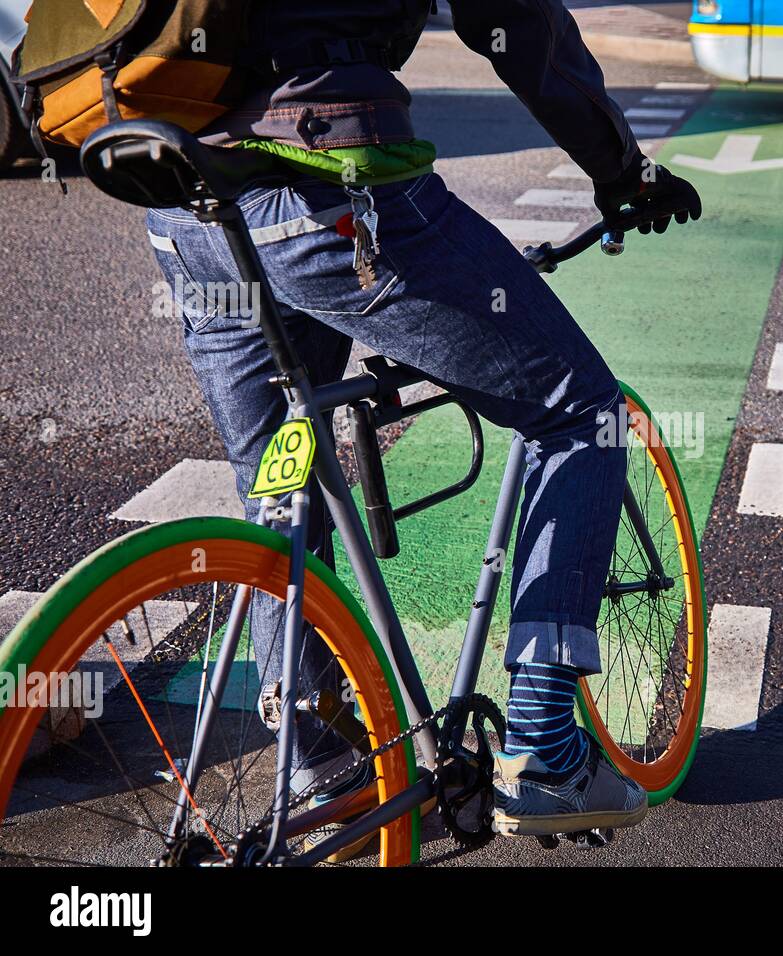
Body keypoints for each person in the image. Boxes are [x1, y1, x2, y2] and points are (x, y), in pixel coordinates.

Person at [142, 0, 701, 853]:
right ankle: (548, 750)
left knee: (281, 479)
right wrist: (619, 168)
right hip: (323, 182)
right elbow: (517, 21)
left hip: (177, 201)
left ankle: (317, 752)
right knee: (582, 412)